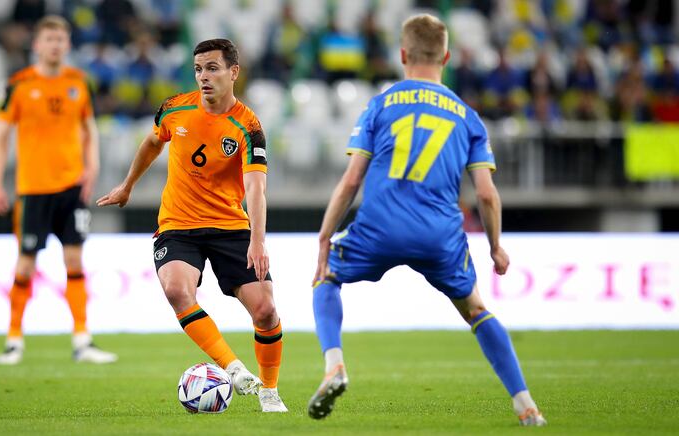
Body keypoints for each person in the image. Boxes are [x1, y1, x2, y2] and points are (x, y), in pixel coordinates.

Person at [307, 14, 547, 427]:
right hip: (439, 234)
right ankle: (526, 405)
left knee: (326, 280)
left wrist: (325, 237)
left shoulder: (380, 104)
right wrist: (495, 247)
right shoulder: (467, 117)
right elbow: (486, 194)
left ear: (402, 55)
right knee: (475, 310)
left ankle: (334, 365)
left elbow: (351, 181)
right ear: (447, 57)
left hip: (379, 227)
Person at [97, 39, 287, 413]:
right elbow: (152, 142)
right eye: (199, 69)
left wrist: (258, 241)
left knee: (265, 311)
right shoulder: (174, 109)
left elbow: (256, 188)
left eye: (212, 68)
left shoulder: (248, 126)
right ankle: (231, 368)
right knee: (176, 290)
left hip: (230, 225)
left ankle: (269, 390)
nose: (204, 76)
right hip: (178, 223)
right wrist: (127, 185)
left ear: (234, 72)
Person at [0, 15, 117, 366]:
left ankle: (82, 339)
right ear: (37, 45)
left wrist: (93, 168)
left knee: (74, 259)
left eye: (61, 39)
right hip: (33, 189)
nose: (55, 45)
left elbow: (89, 128)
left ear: (68, 44)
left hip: (71, 188)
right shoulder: (19, 85)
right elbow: (0, 137)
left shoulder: (79, 83)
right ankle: (14, 339)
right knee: (26, 264)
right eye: (49, 39)